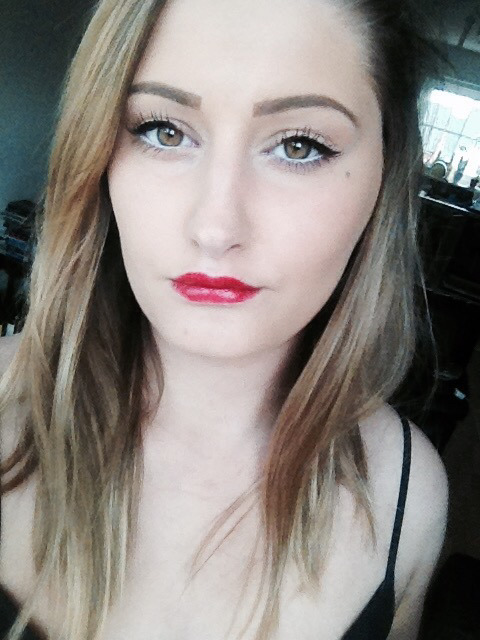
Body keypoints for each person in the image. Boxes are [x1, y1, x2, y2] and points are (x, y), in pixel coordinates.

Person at [0, 0, 448, 638]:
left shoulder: (408, 496)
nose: (215, 227)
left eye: (298, 145)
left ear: (385, 175)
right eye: (164, 131)